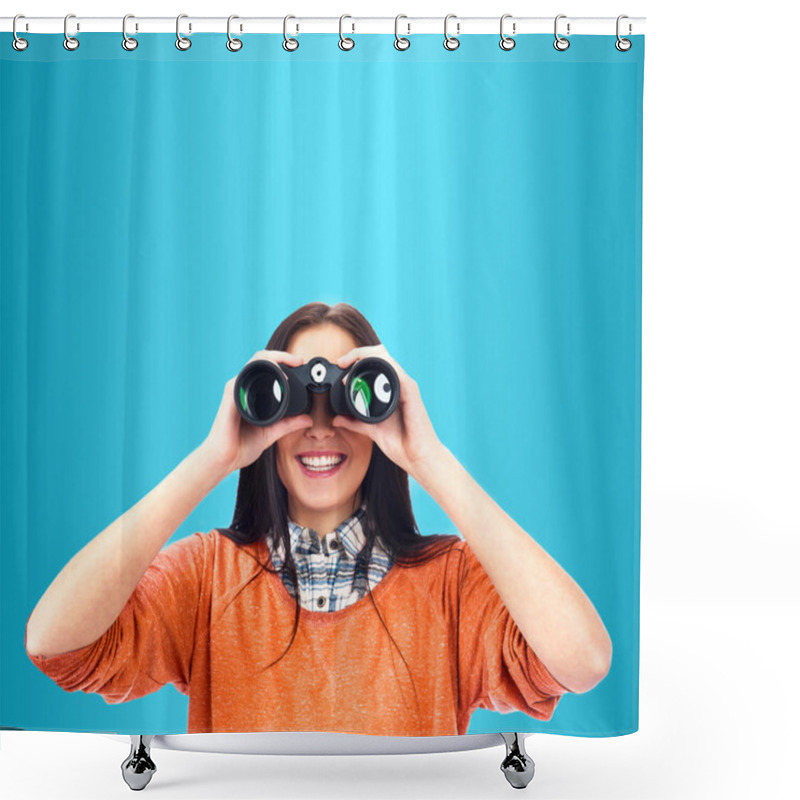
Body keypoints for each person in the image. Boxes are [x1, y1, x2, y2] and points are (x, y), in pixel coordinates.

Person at [25, 302, 612, 735]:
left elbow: (583, 659)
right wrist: (213, 459)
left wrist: (427, 457)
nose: (321, 425)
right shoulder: (206, 578)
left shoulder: (449, 585)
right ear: (262, 408)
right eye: (297, 398)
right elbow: (55, 642)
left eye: (343, 397)